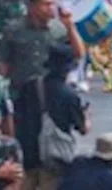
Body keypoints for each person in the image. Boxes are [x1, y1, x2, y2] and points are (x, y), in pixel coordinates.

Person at [13, 45, 87, 190]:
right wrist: (86, 116)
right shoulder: (69, 95)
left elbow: (16, 114)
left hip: (28, 153)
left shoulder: (30, 85)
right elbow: (83, 128)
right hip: (54, 159)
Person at [0, 0, 85, 91]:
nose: (51, 8)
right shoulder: (14, 30)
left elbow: (79, 53)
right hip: (22, 92)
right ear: (32, 7)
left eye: (52, 4)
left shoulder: (58, 29)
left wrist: (70, 26)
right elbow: (3, 65)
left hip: (52, 91)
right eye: (46, 4)